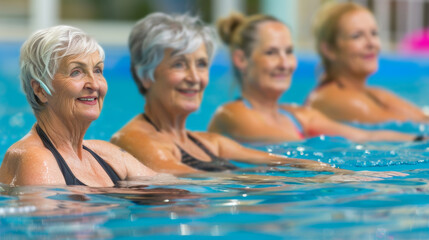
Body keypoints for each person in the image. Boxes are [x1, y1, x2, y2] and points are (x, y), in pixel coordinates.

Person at [111, 13, 405, 179]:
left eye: (201, 64)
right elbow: (195, 180)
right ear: (146, 73)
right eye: (179, 64)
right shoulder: (135, 140)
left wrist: (360, 178)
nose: (194, 77)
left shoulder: (209, 142)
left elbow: (290, 163)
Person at [208, 12, 423, 144]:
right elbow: (298, 161)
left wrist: (420, 140)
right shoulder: (232, 115)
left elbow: (366, 137)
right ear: (241, 59)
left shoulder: (298, 116)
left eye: (289, 51)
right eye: (271, 53)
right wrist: (360, 178)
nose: (285, 64)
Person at [0, 25, 156, 186]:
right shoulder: (36, 160)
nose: (94, 84)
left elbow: (174, 193)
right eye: (76, 72)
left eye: (97, 70)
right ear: (40, 90)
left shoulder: (106, 155)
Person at [305, 2, 429, 124]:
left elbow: (422, 119)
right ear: (329, 49)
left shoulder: (373, 94)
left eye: (374, 33)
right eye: (357, 36)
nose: (371, 44)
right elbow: (405, 129)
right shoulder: (331, 98)